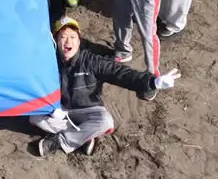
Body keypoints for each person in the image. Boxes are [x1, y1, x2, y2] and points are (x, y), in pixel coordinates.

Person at [34, 16, 180, 157]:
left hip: (89, 110)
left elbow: (121, 73)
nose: (68, 41)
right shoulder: (48, 62)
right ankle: (84, 136)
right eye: (63, 37)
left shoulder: (92, 61)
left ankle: (61, 141)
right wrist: (52, 107)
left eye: (72, 37)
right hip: (61, 109)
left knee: (105, 121)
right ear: (56, 40)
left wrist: (152, 82)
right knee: (34, 117)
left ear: (78, 41)